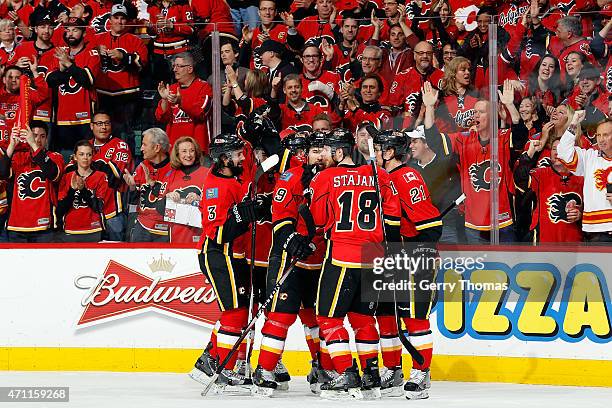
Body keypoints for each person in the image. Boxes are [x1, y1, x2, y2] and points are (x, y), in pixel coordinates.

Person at [309, 128, 401, 400]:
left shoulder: (325, 177)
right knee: (363, 319)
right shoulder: (378, 175)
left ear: (339, 152)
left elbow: (319, 219)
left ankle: (347, 374)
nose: (323, 154)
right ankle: (371, 377)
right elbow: (392, 217)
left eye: (327, 149)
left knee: (328, 318)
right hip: (374, 256)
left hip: (342, 256)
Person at [252, 131, 333, 396]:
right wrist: (291, 238)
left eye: (324, 150)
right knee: (281, 315)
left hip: (320, 259)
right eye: (314, 150)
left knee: (317, 318)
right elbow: (281, 218)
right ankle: (265, 369)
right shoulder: (290, 177)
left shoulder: (336, 179)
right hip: (290, 257)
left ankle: (321, 367)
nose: (319, 155)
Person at [189, 133, 265, 391]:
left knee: (237, 313)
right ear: (224, 159)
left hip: (236, 256)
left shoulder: (231, 177)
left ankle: (210, 360)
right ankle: (224, 368)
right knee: (235, 313)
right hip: (220, 255)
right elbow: (218, 233)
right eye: (237, 154)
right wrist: (244, 214)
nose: (242, 157)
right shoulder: (215, 189)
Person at [372, 129, 440, 399]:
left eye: (379, 149)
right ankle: (392, 371)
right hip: (390, 257)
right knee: (386, 315)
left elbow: (430, 224)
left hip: (413, 256)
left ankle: (421, 372)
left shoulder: (407, 177)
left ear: (390, 153)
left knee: (414, 318)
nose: (375, 153)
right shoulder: (383, 178)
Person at [422, 81, 518, 243]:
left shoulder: (502, 138)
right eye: (474, 112)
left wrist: (510, 106)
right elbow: (434, 142)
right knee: (480, 268)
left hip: (503, 222)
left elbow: (520, 135)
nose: (475, 115)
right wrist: (430, 108)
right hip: (474, 224)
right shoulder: (464, 139)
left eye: (481, 112)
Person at [46, 17, 100, 160]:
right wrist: (63, 69)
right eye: (67, 30)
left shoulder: (92, 54)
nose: (70, 33)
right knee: (64, 159)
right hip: (62, 118)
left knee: (86, 158)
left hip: (85, 119)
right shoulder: (59, 53)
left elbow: (87, 80)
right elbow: (49, 81)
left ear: (83, 33)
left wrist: (68, 65)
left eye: (75, 30)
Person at [94, 4, 148, 147]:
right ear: (110, 19)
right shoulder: (97, 40)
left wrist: (123, 56)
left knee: (125, 133)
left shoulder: (135, 40)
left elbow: (142, 64)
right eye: (116, 17)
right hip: (103, 94)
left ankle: (127, 163)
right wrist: (96, 51)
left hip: (127, 95)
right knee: (102, 132)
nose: (119, 21)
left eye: (122, 18)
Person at [0, 122, 64, 242]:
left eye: (42, 136)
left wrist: (34, 145)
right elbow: (2, 173)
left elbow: (52, 173)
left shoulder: (55, 157)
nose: (38, 139)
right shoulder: (19, 157)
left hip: (43, 227)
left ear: (47, 139)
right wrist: (12, 145)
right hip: (16, 227)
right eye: (34, 135)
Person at [514, 137, 584, 243]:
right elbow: (520, 180)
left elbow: (592, 208)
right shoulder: (540, 174)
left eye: (561, 149)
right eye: (554, 149)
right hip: (543, 243)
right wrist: (529, 154)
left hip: (573, 243)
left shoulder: (582, 177)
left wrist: (581, 215)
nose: (557, 153)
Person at [558, 114, 612, 242]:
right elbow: (563, 152)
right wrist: (574, 123)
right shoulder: (589, 157)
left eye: (606, 135)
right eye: (598, 135)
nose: (601, 139)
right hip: (595, 231)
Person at [155, 52, 213, 151]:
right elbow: (161, 117)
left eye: (179, 66)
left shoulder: (204, 87)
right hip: (174, 150)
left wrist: (180, 102)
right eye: (174, 66)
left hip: (197, 149)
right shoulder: (171, 88)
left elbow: (201, 112)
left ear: (190, 69)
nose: (174, 69)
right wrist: (164, 99)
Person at [90, 111, 133, 241]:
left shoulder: (120, 145)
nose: (103, 127)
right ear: (92, 126)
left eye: (107, 123)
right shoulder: (85, 145)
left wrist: (88, 166)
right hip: (90, 213)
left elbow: (114, 175)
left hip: (113, 213)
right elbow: (72, 172)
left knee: (116, 255)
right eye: (99, 123)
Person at [123, 128, 172, 242]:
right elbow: (134, 202)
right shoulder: (142, 166)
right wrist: (132, 187)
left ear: (157, 147)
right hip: (143, 225)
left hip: (166, 228)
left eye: (144, 145)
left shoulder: (174, 168)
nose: (141, 149)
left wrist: (153, 186)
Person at [57, 139, 109, 242]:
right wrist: (72, 190)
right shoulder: (66, 177)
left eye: (89, 154)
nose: (85, 158)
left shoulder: (101, 176)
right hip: (70, 230)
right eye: (81, 154)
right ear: (75, 157)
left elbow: (98, 207)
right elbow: (60, 210)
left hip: (93, 230)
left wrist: (83, 190)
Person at [159, 136, 208, 243]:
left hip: (201, 235)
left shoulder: (208, 173)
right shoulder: (170, 175)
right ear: (177, 154)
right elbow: (159, 208)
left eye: (192, 151)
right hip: (175, 236)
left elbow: (216, 206)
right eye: (184, 151)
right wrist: (167, 197)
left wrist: (201, 199)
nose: (188, 155)